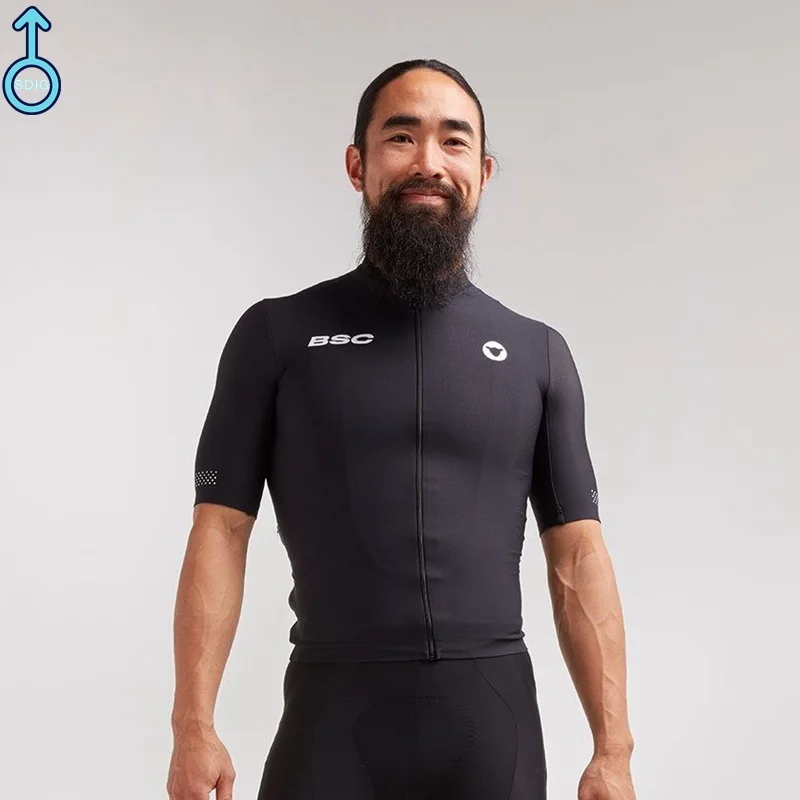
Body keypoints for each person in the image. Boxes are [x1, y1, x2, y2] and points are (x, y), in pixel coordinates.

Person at [168, 59, 636, 800]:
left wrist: (614, 749)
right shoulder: (278, 336)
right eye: (401, 137)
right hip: (332, 725)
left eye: (454, 141)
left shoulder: (535, 353)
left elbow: (578, 554)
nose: (428, 162)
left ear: (482, 172)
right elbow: (220, 531)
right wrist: (192, 725)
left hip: (492, 731)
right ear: (357, 165)